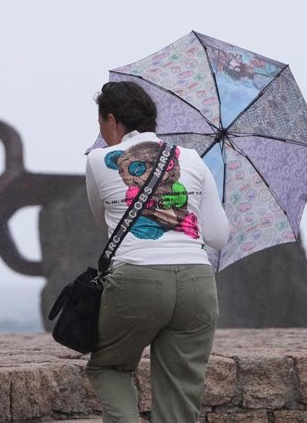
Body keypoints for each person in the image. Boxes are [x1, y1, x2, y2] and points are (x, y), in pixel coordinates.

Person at [84, 81, 229, 423]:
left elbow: (101, 217)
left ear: (112, 120)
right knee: (180, 395)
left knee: (109, 367)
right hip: (197, 282)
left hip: (136, 277)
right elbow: (219, 237)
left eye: (101, 123)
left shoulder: (97, 160)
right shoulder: (192, 159)